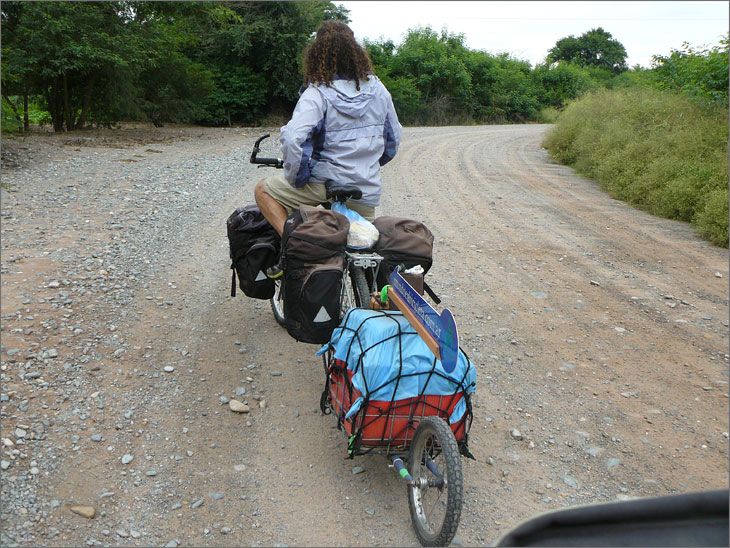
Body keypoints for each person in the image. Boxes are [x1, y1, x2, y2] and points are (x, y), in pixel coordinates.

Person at [254, 20, 402, 256]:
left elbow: (294, 139)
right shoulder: (379, 90)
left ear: (317, 54)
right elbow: (393, 140)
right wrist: (366, 165)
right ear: (356, 53)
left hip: (323, 186)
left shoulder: (317, 93)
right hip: (364, 190)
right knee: (364, 245)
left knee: (263, 190)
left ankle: (292, 245)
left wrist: (299, 177)